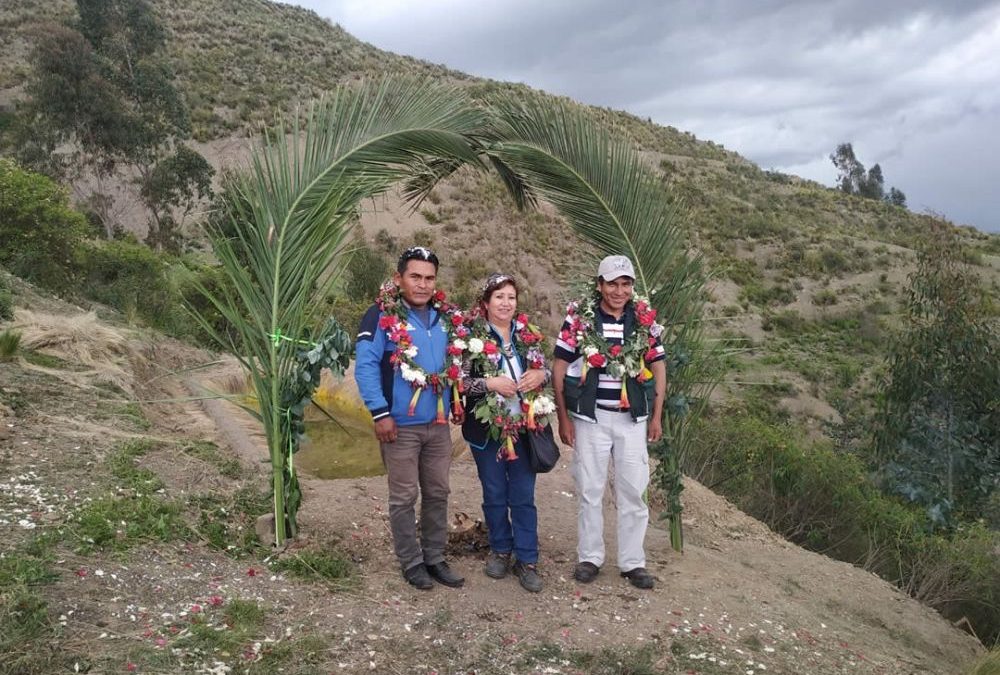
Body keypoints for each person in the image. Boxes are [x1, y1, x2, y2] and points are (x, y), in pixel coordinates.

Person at [552, 255, 667, 590]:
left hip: (632, 420)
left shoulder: (644, 321)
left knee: (633, 489)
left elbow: (658, 366)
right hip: (591, 418)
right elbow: (560, 366)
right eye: (612, 283)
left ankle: (633, 562)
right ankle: (590, 557)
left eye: (626, 284)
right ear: (599, 285)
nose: (619, 291)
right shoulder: (579, 321)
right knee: (590, 488)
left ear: (632, 286)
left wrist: (656, 415)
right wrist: (563, 418)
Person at [354, 246, 465, 591]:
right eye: (414, 276)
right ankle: (411, 561)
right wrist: (380, 412)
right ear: (399, 278)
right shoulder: (380, 315)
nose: (422, 284)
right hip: (399, 426)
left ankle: (434, 556)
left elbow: (457, 363)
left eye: (429, 278)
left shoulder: (446, 318)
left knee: (438, 491)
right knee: (403, 497)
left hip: (437, 424)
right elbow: (366, 366)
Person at [460, 273, 548, 593]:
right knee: (495, 493)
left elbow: (544, 373)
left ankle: (527, 559)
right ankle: (500, 549)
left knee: (523, 495)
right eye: (498, 297)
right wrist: (490, 384)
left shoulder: (527, 336)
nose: (505, 303)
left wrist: (541, 374)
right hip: (488, 431)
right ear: (486, 303)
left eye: (510, 297)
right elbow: (460, 383)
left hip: (524, 429)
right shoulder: (469, 339)